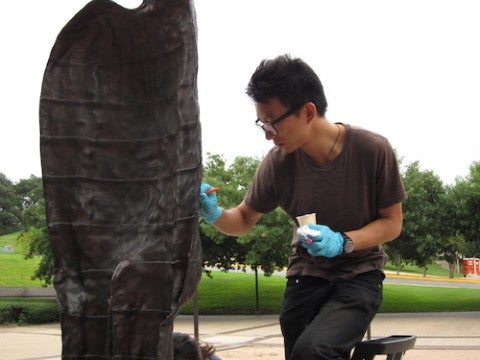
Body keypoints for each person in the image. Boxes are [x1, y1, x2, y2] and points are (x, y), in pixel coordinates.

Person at [199, 54, 406, 360]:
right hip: (306, 274)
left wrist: (343, 241)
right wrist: (214, 214)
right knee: (299, 352)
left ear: (308, 111)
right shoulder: (277, 164)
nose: (268, 133)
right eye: (262, 123)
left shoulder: (372, 150)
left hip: (359, 274)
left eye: (273, 122)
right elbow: (243, 219)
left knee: (314, 350)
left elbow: (392, 224)